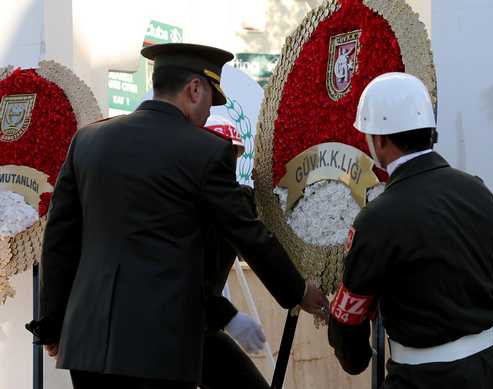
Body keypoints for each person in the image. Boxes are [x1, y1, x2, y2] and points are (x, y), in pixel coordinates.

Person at [26, 43, 328, 389]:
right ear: (195, 89)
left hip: (89, 342)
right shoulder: (206, 151)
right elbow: (247, 234)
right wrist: (296, 290)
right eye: (209, 103)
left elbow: (59, 241)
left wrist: (51, 323)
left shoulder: (88, 140)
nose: (206, 117)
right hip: (159, 345)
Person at [328, 72, 493, 388]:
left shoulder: (378, 218)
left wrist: (353, 356)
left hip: (424, 379)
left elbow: (349, 316)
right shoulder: (479, 192)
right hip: (487, 368)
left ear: (379, 140)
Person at [201, 116, 270, 389]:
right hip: (176, 326)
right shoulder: (177, 204)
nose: (226, 163)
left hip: (203, 324)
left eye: (232, 155)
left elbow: (260, 241)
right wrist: (228, 317)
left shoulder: (237, 200)